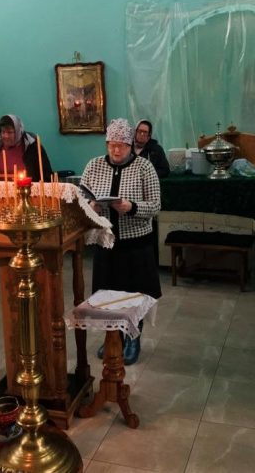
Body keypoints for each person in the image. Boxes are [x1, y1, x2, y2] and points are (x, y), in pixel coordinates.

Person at [80, 118, 162, 365]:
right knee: (108, 294)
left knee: (133, 295)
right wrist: (92, 206)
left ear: (130, 145)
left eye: (122, 146)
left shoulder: (144, 167)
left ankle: (133, 338)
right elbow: (80, 202)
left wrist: (131, 207)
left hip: (136, 244)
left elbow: (156, 206)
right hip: (106, 243)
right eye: (111, 145)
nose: (116, 150)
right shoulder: (94, 166)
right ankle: (112, 337)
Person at [0, 114, 52, 181]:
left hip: (25, 188)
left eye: (9, 132)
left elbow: (46, 176)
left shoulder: (32, 147)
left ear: (18, 132)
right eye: (3, 132)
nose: (5, 136)